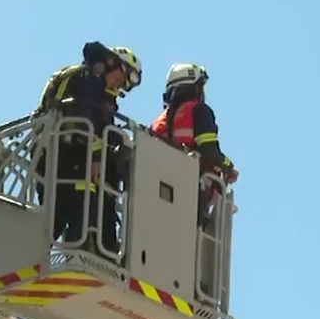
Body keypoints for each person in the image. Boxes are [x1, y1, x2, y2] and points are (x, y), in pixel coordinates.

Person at [36, 42, 142, 254]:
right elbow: (85, 123)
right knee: (77, 203)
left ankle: (41, 255)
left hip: (62, 156)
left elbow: (101, 129)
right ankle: (78, 254)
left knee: (60, 215)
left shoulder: (96, 91)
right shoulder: (85, 79)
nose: (118, 86)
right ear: (112, 64)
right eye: (122, 78)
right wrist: (96, 157)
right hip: (62, 154)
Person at [149, 63, 237, 301]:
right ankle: (192, 287)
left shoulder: (160, 121)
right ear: (196, 88)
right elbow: (208, 148)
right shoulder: (200, 111)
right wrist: (227, 167)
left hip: (159, 189)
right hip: (193, 185)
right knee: (193, 234)